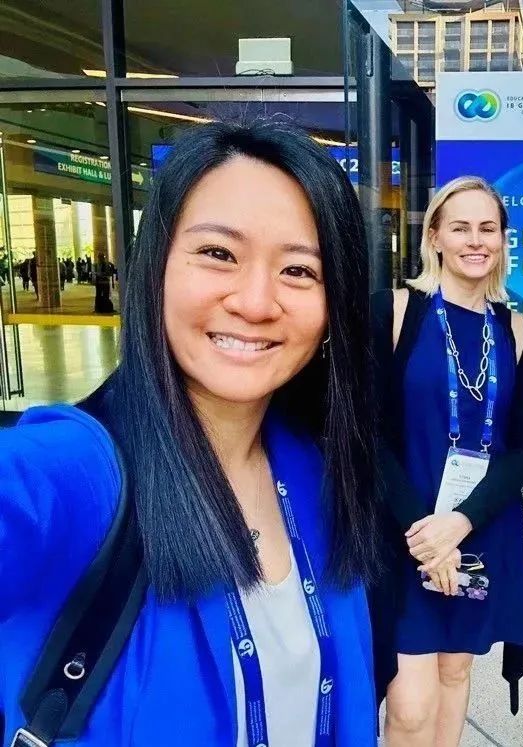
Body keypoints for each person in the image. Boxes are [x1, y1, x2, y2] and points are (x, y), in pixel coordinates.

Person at [0, 119, 385, 745]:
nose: (256, 302)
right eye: (218, 254)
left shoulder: (315, 471)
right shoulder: (75, 471)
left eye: (298, 271)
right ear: (154, 268)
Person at [371, 175, 523, 747]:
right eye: (461, 227)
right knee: (410, 707)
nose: (475, 240)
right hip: (405, 532)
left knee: (455, 672)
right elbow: (367, 436)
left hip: (478, 528)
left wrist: (459, 524)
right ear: (435, 237)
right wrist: (427, 537)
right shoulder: (394, 313)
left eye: (488, 229)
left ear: (502, 241)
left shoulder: (520, 332)